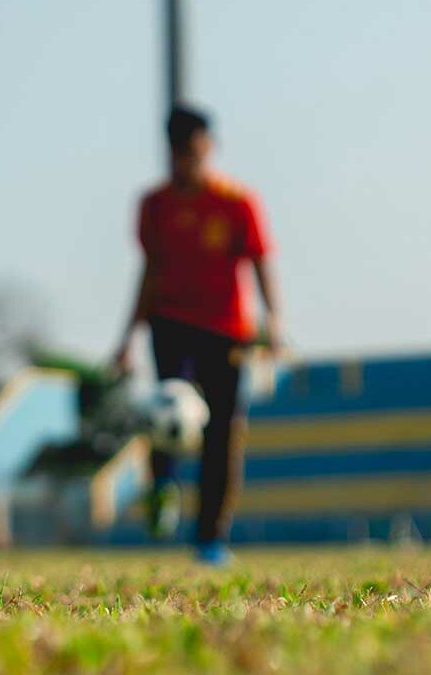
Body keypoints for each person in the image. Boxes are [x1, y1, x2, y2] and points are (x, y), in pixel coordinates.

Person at [114, 104, 283, 566]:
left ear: (209, 147)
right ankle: (162, 484)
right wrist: (126, 338)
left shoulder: (236, 202)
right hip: (170, 324)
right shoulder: (155, 205)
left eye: (196, 149)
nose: (189, 159)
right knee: (166, 409)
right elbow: (148, 271)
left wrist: (274, 323)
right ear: (169, 152)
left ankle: (210, 537)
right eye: (179, 151)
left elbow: (260, 261)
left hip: (227, 333)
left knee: (222, 435)